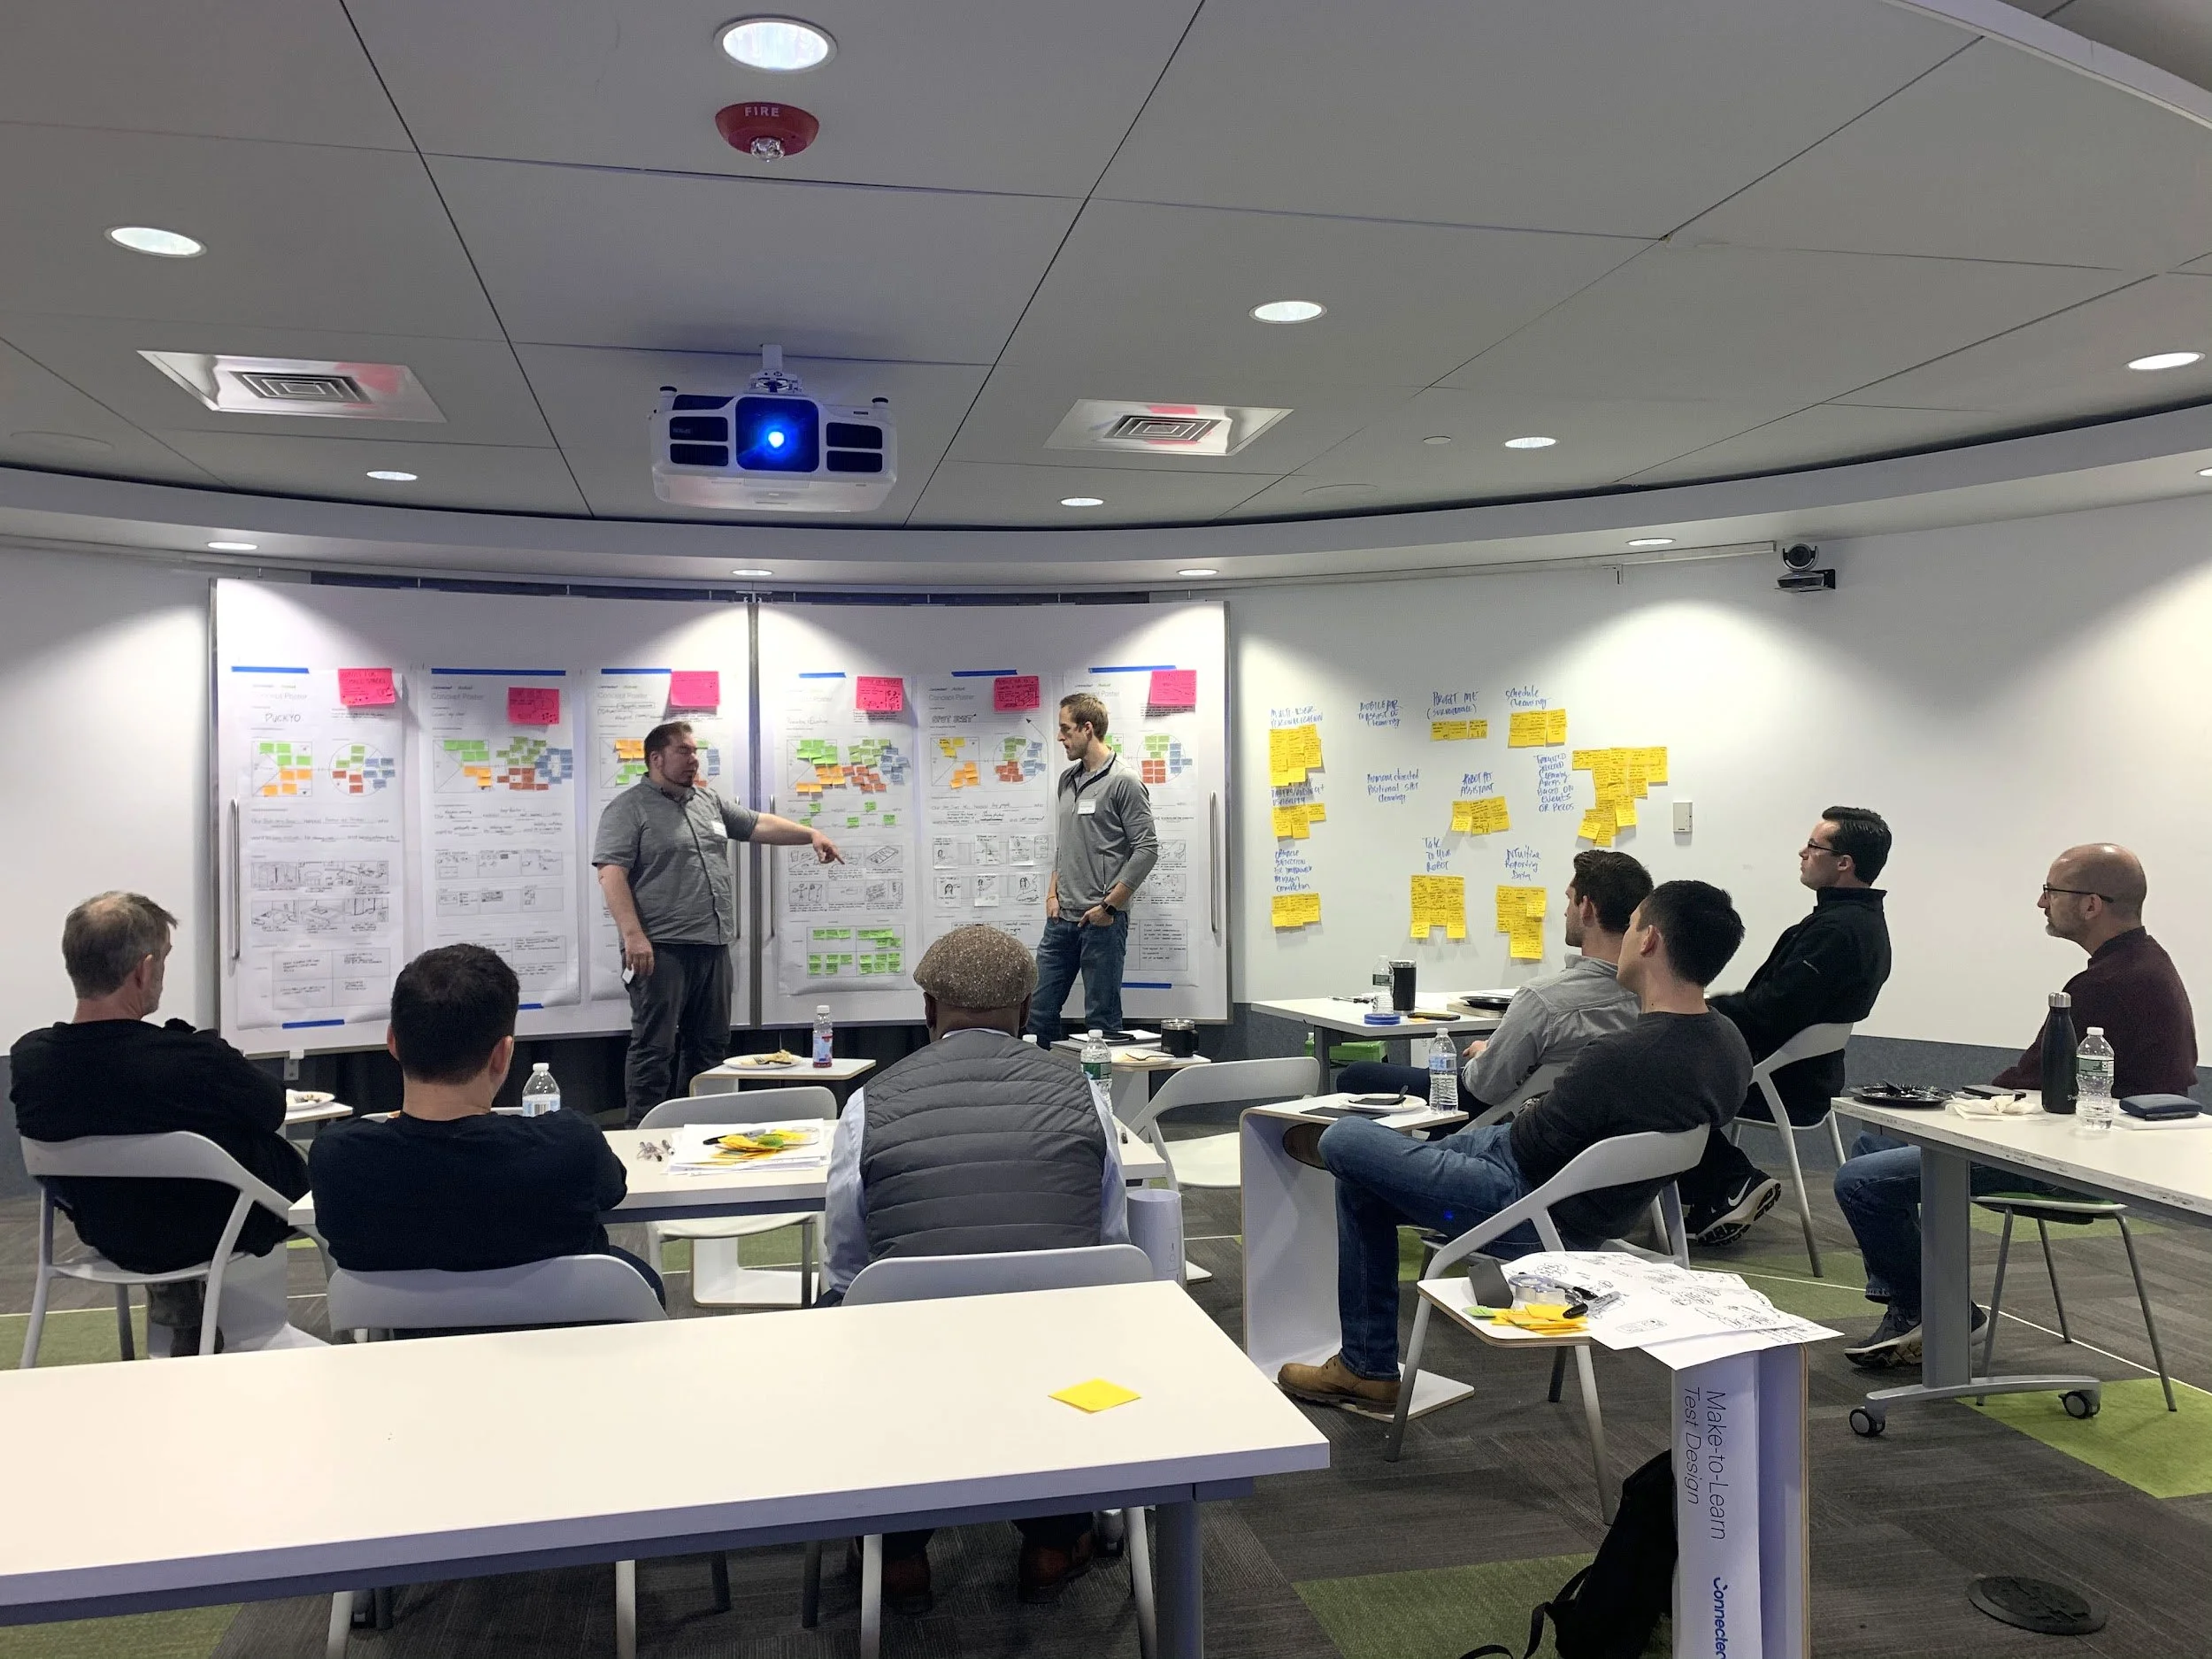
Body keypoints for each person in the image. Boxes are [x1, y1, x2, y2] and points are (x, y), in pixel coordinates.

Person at [1277, 881, 1753, 1411]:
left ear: (1649, 941)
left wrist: (1527, 1112)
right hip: (1588, 1202)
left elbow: (1528, 1148)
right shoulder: (1728, 1045)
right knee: (1365, 1178)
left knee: (1346, 1140)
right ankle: (1365, 1368)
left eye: (1634, 924)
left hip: (1530, 1211)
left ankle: (1368, 1363)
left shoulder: (1617, 1058)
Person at [821, 924, 1128, 1609]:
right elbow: (1112, 1248)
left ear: (929, 1010)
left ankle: (896, 1547)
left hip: (914, 1363)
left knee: (846, 1316)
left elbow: (846, 1267)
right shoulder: (1088, 1096)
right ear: (1026, 1010)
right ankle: (1055, 1537)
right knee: (1073, 1326)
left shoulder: (869, 1104)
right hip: (1056, 1361)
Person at [1835, 843, 2195, 1367]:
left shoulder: (2110, 983)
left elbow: (2028, 1081)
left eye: (2051, 891)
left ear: (2091, 905)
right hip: (2082, 1141)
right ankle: (1931, 1305)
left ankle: (1929, 1309)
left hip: (2078, 1162)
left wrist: (1956, 1106)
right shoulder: (2142, 964)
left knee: (1859, 1181)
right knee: (1874, 1143)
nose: (2041, 902)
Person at [10, 893, 316, 1355]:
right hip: (217, 1230)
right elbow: (271, 1108)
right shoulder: (192, 1061)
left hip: (109, 1233)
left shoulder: (30, 1062)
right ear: (144, 970)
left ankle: (182, 1309)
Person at [310, 944, 660, 1301]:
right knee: (638, 1277)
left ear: (392, 1042)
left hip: (409, 1335)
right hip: (558, 1329)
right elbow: (612, 1190)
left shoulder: (337, 1158)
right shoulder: (572, 1146)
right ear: (503, 1054)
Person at [594, 719, 843, 1124]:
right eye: (684, 751)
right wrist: (633, 936)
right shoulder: (628, 808)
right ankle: (641, 1133)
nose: (694, 759)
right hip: (661, 948)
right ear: (656, 758)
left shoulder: (707, 802)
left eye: (695, 751)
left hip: (712, 944)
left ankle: (699, 1126)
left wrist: (810, 834)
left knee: (710, 1045)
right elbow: (611, 874)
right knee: (655, 1048)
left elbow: (757, 824)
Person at [1682, 808, 1893, 1245]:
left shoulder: (1836, 932)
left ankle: (1731, 1181)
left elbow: (1769, 1012)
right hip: (1806, 1076)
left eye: (1814, 846)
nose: (1802, 852)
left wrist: (1695, 1009)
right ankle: (1713, 1190)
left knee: (1657, 1084)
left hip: (1784, 1084)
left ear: (1844, 863)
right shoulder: (1860, 923)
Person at [1334, 849, 1650, 1110]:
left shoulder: (1542, 1001)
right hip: (1595, 1135)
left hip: (1503, 1117)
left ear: (1587, 908)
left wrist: (1486, 1053)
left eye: (1570, 899)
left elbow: (1483, 1086)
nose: (1566, 911)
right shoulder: (1652, 998)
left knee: (1356, 1075)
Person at [1028, 693, 1158, 1044]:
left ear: (1088, 728)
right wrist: (1052, 893)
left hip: (1101, 922)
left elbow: (1147, 850)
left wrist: (1109, 907)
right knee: (1038, 1012)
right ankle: (1044, 1080)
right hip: (1061, 921)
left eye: (1065, 729)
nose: (1060, 737)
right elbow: (1065, 843)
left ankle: (1098, 1084)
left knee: (1101, 1021)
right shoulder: (1067, 780)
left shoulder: (1124, 781)